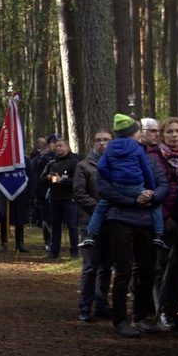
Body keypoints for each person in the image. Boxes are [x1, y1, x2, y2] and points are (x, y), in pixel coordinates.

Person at [98, 143, 169, 338]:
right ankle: (120, 320)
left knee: (147, 271)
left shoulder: (151, 161)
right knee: (124, 270)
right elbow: (104, 188)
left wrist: (153, 197)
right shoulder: (112, 160)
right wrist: (133, 200)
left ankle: (140, 317)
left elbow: (163, 185)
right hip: (120, 219)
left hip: (147, 222)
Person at [79, 114, 166, 249]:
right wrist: (149, 189)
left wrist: (112, 177)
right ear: (133, 133)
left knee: (101, 208)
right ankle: (159, 235)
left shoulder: (110, 148)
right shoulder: (137, 148)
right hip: (137, 187)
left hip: (117, 186)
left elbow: (101, 166)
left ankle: (90, 234)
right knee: (155, 207)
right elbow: (146, 170)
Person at [146, 117, 178, 330]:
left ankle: (174, 310)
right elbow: (150, 189)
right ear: (162, 135)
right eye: (169, 131)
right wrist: (165, 218)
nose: (173, 135)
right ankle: (160, 311)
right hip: (162, 220)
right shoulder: (153, 158)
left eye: (177, 131)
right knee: (161, 268)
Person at [73, 129, 114, 322]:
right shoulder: (84, 166)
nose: (102, 144)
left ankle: (102, 304)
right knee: (90, 266)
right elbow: (79, 193)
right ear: (93, 143)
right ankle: (85, 306)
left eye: (106, 140)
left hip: (113, 222)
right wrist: (100, 209)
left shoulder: (118, 165)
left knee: (106, 267)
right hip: (89, 223)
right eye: (99, 140)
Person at [39, 137, 79, 259]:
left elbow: (77, 181)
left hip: (69, 199)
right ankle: (54, 251)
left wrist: (62, 180)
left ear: (67, 147)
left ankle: (74, 253)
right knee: (55, 226)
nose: (58, 148)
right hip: (55, 199)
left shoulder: (74, 162)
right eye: (56, 146)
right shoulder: (52, 163)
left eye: (61, 146)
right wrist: (48, 178)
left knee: (72, 226)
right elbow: (41, 179)